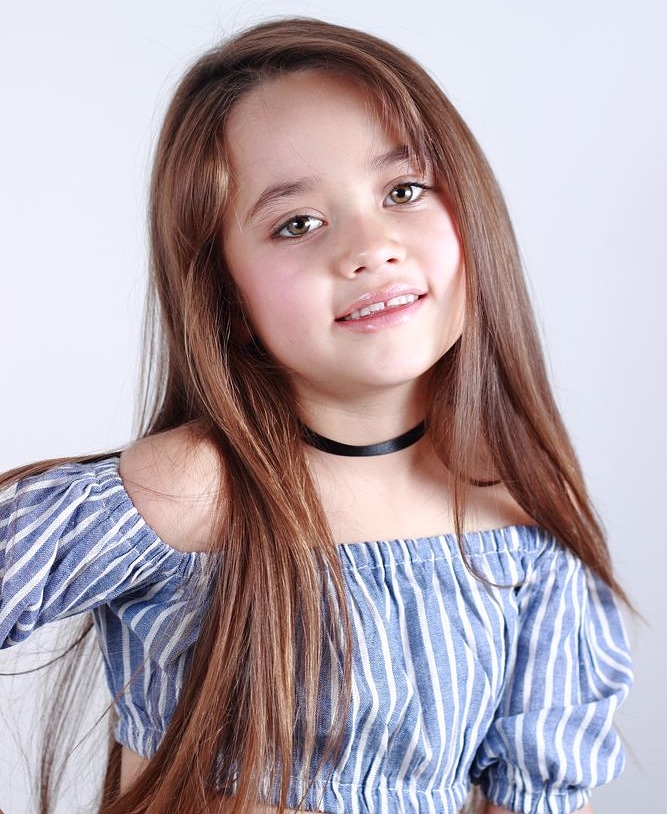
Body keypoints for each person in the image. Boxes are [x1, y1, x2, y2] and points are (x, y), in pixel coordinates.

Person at [0, 17, 632, 814]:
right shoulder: (192, 493)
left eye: (403, 191)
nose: (370, 247)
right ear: (227, 299)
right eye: (296, 223)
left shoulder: (523, 522)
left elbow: (535, 793)